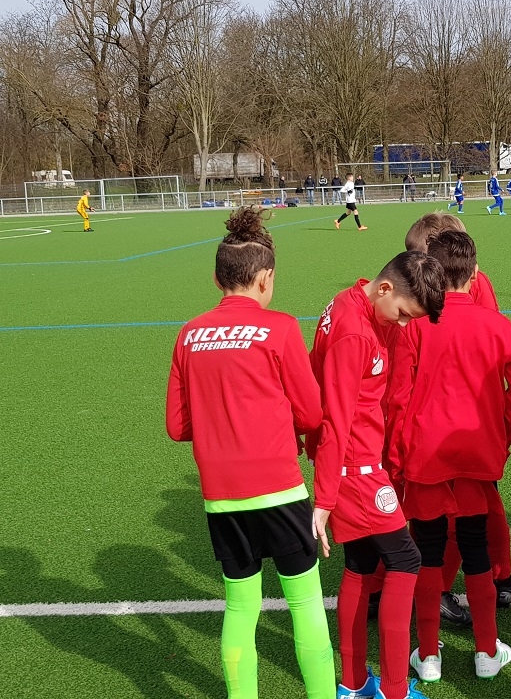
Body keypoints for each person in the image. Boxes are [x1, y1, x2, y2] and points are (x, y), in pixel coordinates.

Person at [165, 206, 336, 699]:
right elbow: (311, 413)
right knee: (305, 603)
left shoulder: (189, 333)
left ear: (216, 279)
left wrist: (220, 423)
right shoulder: (280, 327)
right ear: (265, 279)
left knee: (241, 607)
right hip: (280, 488)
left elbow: (177, 426)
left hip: (222, 496)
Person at [388, 230, 511, 684]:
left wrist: (396, 457)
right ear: (475, 272)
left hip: (425, 456)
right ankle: (486, 650)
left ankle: (429, 654)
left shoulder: (415, 326)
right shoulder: (497, 324)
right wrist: (499, 438)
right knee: (476, 550)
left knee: (428, 552)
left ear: (429, 270)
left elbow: (397, 399)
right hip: (476, 454)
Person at [308, 251, 446, 699]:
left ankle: (352, 684)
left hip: (360, 461)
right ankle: (394, 690)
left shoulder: (352, 301)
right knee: (405, 560)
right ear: (385, 288)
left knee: (361, 564)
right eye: (403, 314)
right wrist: (325, 498)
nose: (403, 325)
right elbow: (336, 418)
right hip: (356, 468)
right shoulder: (354, 333)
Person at [401, 213, 511, 619]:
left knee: (453, 519)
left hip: (439, 433)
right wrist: (499, 432)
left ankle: (475, 583)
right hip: (470, 432)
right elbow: (509, 374)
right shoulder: (472, 294)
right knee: (464, 518)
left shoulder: (460, 295)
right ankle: (472, 599)